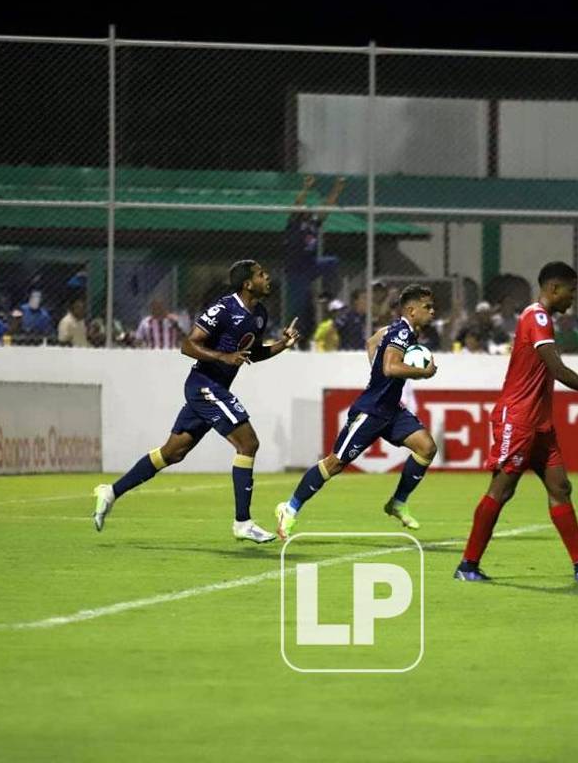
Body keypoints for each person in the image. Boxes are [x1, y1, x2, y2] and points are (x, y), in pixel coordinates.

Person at [92, 260, 300, 543]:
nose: (268, 277)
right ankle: (242, 522)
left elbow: (252, 354)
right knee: (248, 443)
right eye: (261, 274)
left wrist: (282, 345)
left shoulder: (259, 314)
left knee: (173, 452)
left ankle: (111, 492)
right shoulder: (224, 309)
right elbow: (188, 344)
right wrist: (222, 357)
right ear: (248, 284)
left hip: (213, 389)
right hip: (204, 385)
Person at [455, 262, 578, 583]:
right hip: (518, 420)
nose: (573, 297)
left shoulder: (542, 319)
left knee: (560, 487)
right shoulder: (537, 317)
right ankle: (467, 565)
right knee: (501, 490)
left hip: (539, 422)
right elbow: (557, 369)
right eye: (571, 290)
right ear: (553, 288)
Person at [275, 285, 439, 538]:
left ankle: (397, 503)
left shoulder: (397, 329)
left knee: (426, 448)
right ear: (411, 310)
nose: (433, 311)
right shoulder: (401, 333)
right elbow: (390, 368)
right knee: (335, 463)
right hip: (372, 410)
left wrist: (378, 375)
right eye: (427, 307)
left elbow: (371, 342)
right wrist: (422, 373)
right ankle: (289, 508)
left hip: (391, 409)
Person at [284, 174, 345, 350]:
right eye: (304, 209)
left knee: (332, 262)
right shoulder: (295, 224)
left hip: (310, 265)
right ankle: (291, 339)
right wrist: (306, 188)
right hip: (296, 271)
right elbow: (296, 205)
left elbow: (326, 208)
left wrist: (337, 189)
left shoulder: (313, 224)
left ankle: (326, 293)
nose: (307, 209)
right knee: (299, 308)